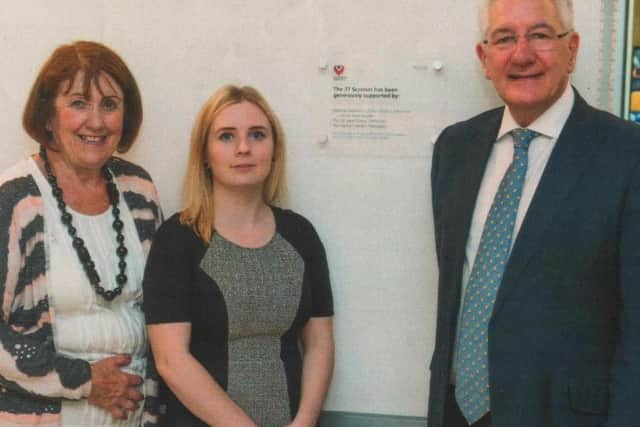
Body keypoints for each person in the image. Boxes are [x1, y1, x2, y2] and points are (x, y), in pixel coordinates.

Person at [428, 1, 640, 426]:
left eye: (540, 35)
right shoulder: (454, 149)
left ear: (572, 49)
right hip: (456, 411)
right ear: (484, 58)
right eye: (504, 38)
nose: (521, 54)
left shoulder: (626, 154)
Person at [143, 85, 334, 427]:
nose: (244, 148)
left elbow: (319, 343)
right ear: (204, 153)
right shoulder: (177, 239)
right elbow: (172, 361)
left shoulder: (300, 235)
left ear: (274, 150)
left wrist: (304, 421)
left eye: (257, 135)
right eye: (226, 136)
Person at [0, 41, 163, 426]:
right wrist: (85, 380)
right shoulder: (15, 199)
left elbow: (162, 313)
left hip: (134, 417)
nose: (96, 121)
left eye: (109, 104)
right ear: (48, 116)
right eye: (78, 103)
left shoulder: (139, 191)